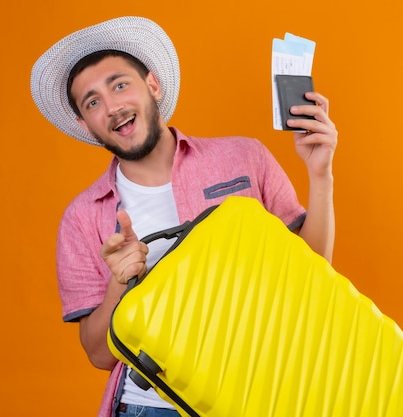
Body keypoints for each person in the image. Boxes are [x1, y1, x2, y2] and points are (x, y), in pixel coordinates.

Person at [31, 16, 338, 417]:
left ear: (153, 85)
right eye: (92, 102)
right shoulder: (81, 218)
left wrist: (320, 174)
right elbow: (98, 354)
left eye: (120, 84)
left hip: (259, 393)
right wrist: (118, 286)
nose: (112, 107)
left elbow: (313, 275)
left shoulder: (245, 156)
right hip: (152, 407)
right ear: (85, 124)